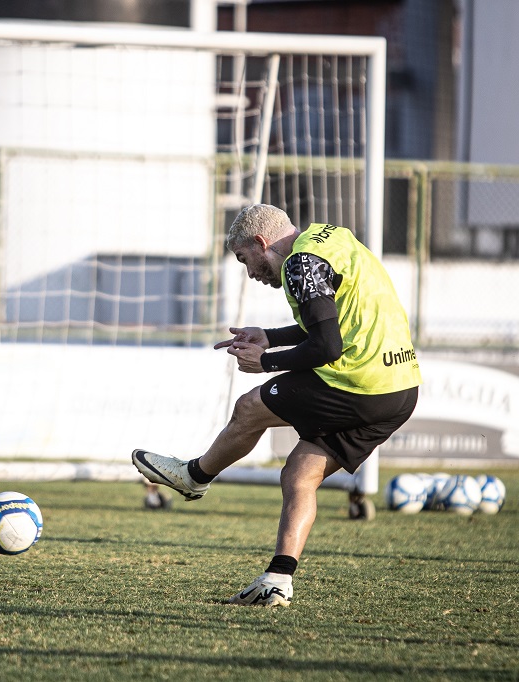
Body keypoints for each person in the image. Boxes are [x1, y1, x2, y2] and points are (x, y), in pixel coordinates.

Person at [133, 204, 420, 606]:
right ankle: (277, 580)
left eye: (244, 259)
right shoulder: (331, 238)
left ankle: (193, 476)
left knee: (251, 407)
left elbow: (326, 347)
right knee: (300, 473)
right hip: (401, 389)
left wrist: (264, 362)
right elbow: (329, 322)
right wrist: (269, 335)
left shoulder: (299, 264)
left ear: (260, 243)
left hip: (360, 382)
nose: (250, 272)